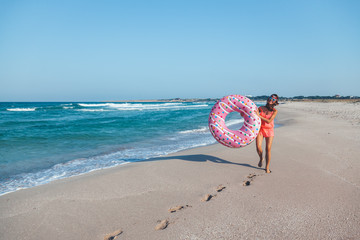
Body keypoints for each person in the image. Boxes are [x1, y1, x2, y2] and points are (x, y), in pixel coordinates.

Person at [255, 94, 279, 173]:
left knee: (268, 149)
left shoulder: (274, 111)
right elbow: (253, 114)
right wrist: (243, 113)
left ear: (275, 101)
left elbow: (269, 121)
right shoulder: (261, 108)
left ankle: (267, 167)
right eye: (270, 98)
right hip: (260, 129)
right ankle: (261, 158)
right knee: (258, 147)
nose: (271, 99)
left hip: (269, 130)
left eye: (273, 99)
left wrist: (259, 116)